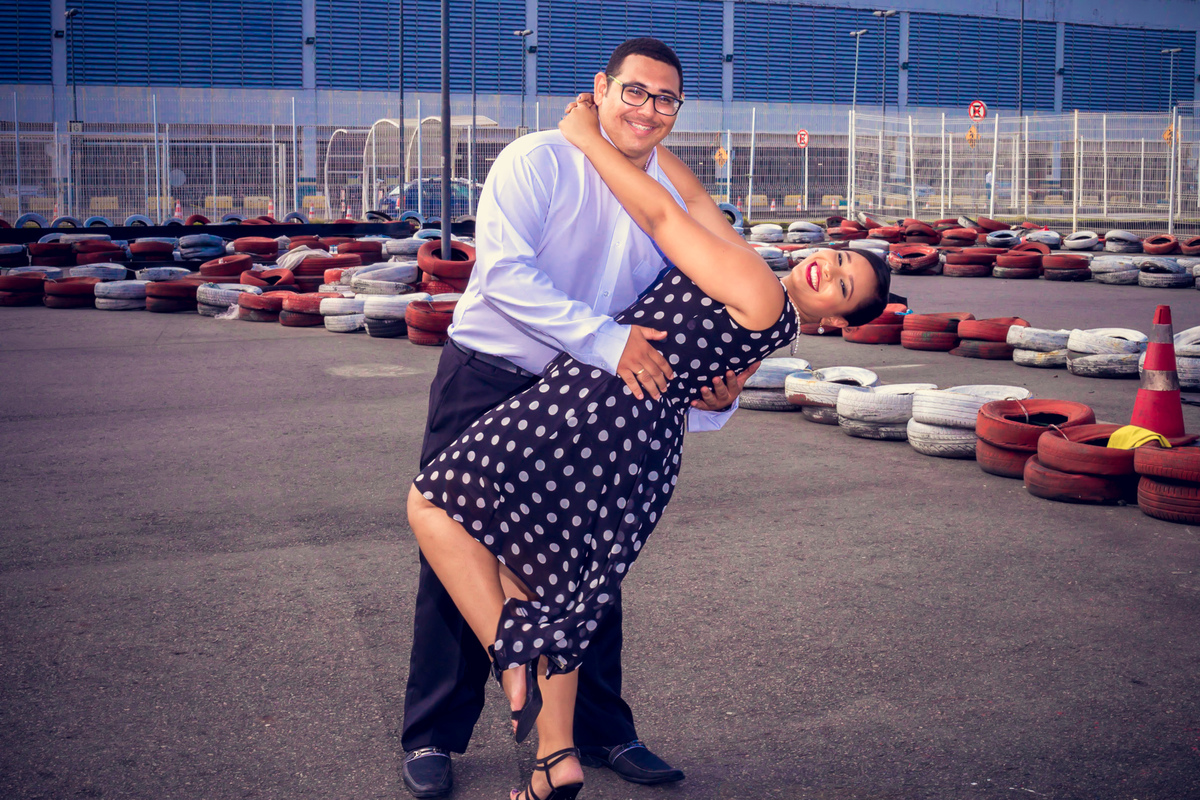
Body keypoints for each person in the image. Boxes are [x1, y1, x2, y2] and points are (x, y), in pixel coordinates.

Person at [406, 90, 891, 800]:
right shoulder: (763, 291)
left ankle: (516, 659)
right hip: (627, 428)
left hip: (595, 403)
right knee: (556, 576)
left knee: (436, 505)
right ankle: (553, 759)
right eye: (841, 256)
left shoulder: (760, 288)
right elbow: (693, 200)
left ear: (838, 317)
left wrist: (588, 134)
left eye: (845, 286)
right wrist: (639, 131)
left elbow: (665, 213)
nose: (830, 269)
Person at [400, 38, 762, 799]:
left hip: (590, 396)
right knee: (456, 544)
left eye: (666, 100)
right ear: (600, 89)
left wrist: (719, 391)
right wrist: (607, 342)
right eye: (635, 91)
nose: (648, 110)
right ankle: (433, 735)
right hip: (493, 373)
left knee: (592, 566)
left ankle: (601, 732)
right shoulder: (538, 160)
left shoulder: (665, 195)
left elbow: (693, 309)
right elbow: (503, 277)